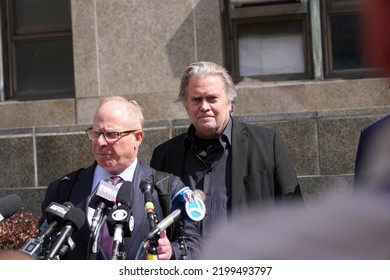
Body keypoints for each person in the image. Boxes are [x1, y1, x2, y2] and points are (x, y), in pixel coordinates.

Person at [150, 61, 304, 239]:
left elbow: (294, 211)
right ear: (187, 106)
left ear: (229, 103)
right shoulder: (164, 155)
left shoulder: (266, 144)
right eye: (196, 100)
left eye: (212, 98)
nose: (204, 107)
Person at [39, 96, 201, 260]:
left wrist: (171, 251)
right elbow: (44, 246)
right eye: (96, 133)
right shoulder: (63, 188)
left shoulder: (167, 188)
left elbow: (192, 245)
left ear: (137, 138)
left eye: (111, 134)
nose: (101, 142)